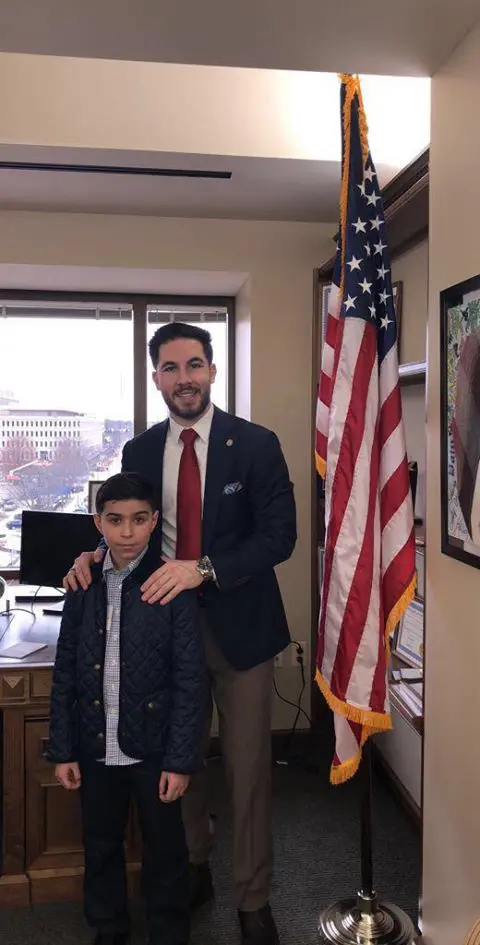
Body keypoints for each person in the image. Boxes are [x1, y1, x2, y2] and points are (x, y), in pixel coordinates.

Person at [64, 322, 297, 945]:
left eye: (195, 365)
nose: (184, 378)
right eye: (171, 368)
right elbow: (128, 523)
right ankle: (195, 866)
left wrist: (204, 569)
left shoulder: (254, 444)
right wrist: (92, 553)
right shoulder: (139, 451)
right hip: (161, 633)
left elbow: (281, 537)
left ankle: (252, 896)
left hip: (240, 631)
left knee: (248, 770)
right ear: (156, 377)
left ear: (212, 371)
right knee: (179, 759)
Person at [49, 472, 206, 945]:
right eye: (115, 521)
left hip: (153, 748)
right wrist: (62, 749)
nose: (127, 532)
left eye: (139, 520)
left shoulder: (171, 586)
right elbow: (65, 671)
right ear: (99, 522)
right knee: (100, 845)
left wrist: (180, 762)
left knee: (165, 849)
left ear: (154, 520)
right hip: (95, 747)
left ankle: (168, 929)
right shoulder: (82, 583)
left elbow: (189, 681)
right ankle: (109, 927)